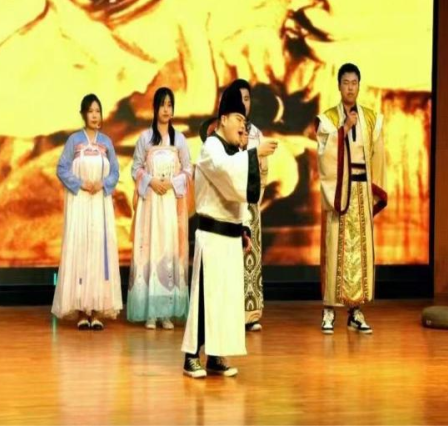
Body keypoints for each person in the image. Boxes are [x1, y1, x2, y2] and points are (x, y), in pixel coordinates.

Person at [182, 85, 278, 378]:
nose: (242, 125)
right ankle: (191, 355)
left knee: (225, 300)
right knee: (206, 297)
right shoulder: (211, 147)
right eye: (238, 118)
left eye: (244, 121)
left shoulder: (235, 152)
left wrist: (245, 227)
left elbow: (239, 197)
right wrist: (254, 153)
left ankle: (216, 355)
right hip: (212, 236)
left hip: (231, 235)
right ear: (223, 119)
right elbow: (226, 173)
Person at [315, 63, 386, 334]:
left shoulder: (371, 119)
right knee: (335, 247)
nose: (350, 88)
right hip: (340, 191)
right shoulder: (328, 120)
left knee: (360, 251)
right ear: (338, 86)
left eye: (354, 83)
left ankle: (356, 310)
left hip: (361, 192)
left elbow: (378, 156)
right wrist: (343, 129)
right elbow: (324, 155)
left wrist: (375, 190)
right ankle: (329, 310)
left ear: (359, 85)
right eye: (346, 83)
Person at [51, 94, 123, 330]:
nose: (95, 115)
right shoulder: (74, 140)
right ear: (83, 114)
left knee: (99, 250)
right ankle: (82, 310)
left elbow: (115, 171)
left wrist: (102, 184)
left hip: (100, 203)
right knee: (81, 248)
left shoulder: (106, 143)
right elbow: (61, 168)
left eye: (98, 111)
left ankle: (97, 310)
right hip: (80, 202)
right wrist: (80, 183)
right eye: (91, 111)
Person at [126, 87, 192, 329]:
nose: (166, 109)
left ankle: (166, 312)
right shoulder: (145, 138)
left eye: (169, 105)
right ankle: (150, 312)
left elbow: (188, 169)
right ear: (155, 108)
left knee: (169, 250)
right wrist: (151, 181)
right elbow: (135, 168)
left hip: (171, 205)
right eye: (162, 104)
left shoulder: (180, 139)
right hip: (151, 205)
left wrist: (172, 183)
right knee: (151, 249)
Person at [229, 79, 268, 332]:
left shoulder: (257, 135)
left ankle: (251, 313)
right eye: (239, 99)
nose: (244, 103)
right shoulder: (225, 133)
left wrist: (257, 190)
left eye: (247, 99)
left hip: (251, 202)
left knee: (250, 258)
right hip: (231, 203)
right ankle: (230, 314)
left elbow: (264, 170)